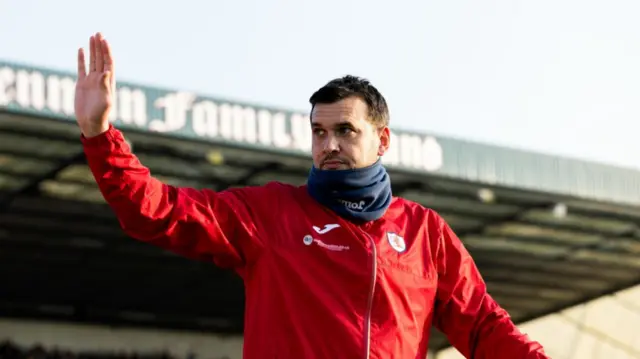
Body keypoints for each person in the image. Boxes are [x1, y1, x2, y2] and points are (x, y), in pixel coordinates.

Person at [74, 32, 549, 359]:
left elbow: (484, 327)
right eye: (319, 132)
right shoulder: (269, 214)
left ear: (382, 140)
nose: (329, 146)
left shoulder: (425, 233)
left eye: (345, 130)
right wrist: (98, 134)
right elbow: (155, 211)